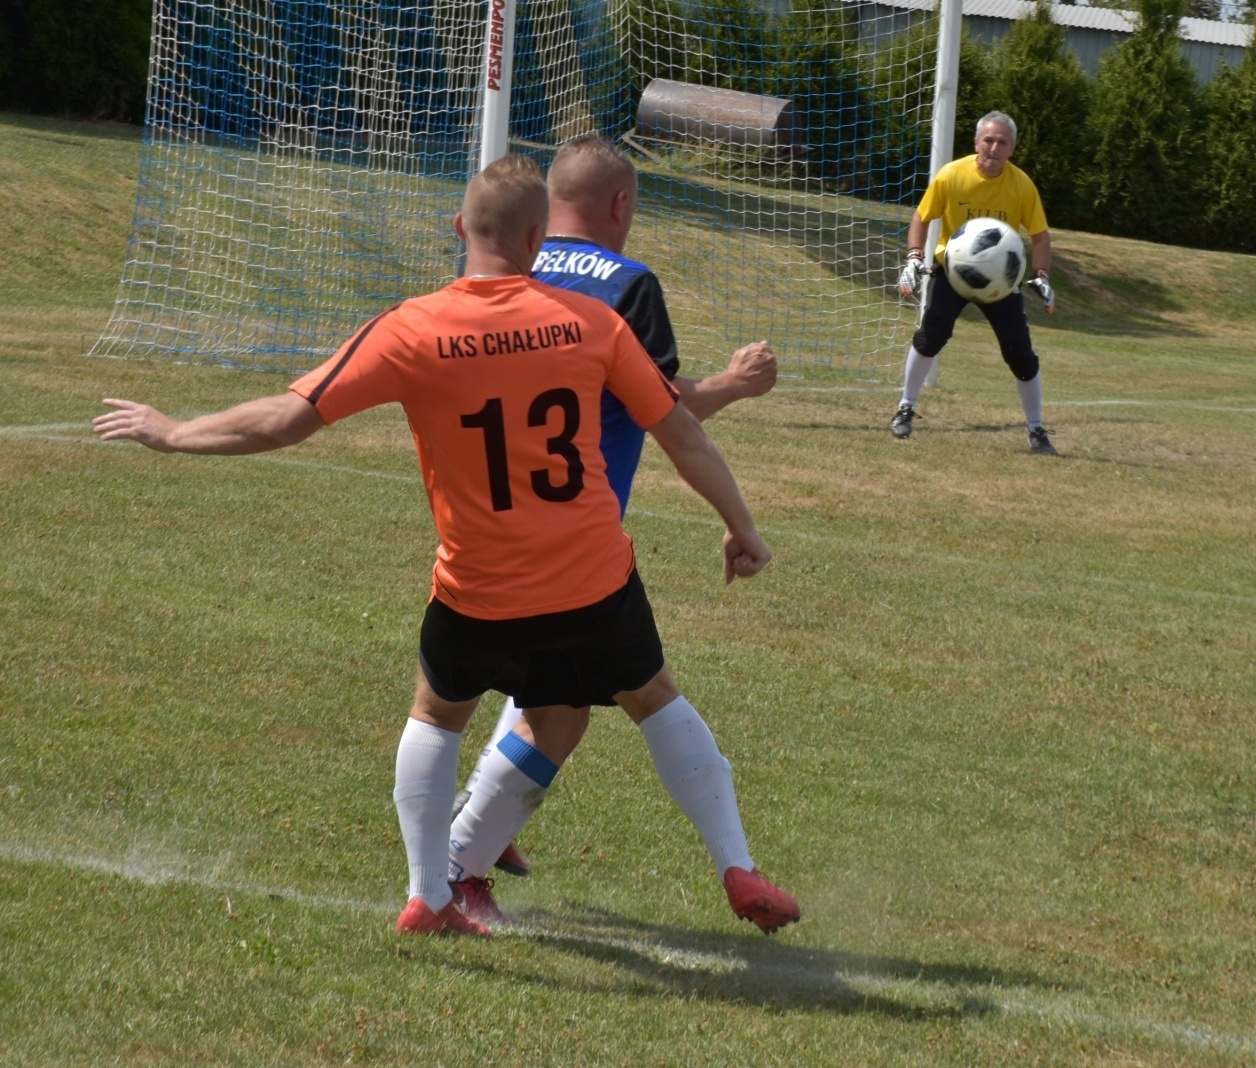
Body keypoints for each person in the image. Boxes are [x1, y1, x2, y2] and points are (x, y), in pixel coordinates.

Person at [93, 152, 799, 938]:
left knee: (439, 714)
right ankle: (735, 865)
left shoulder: (412, 329)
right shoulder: (594, 322)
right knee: (649, 699)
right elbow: (681, 433)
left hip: (478, 586)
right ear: (537, 237)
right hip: (591, 581)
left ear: (461, 227)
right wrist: (743, 528)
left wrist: (174, 431)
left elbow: (285, 417)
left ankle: (430, 892)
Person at [445, 134, 792, 932]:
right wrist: (735, 385)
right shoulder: (627, 285)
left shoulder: (500, 264)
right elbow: (665, 409)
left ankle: (476, 842)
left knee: (548, 699)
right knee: (624, 695)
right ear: (623, 205)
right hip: (575, 537)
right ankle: (457, 860)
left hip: (481, 524)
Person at [892, 110, 1059, 455]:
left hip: (1000, 282)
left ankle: (1037, 430)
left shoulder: (1022, 185)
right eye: (988, 139)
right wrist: (913, 257)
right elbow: (922, 217)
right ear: (976, 142)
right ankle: (905, 407)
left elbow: (1041, 237)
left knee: (1020, 354)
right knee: (930, 335)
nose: (994, 147)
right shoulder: (952, 175)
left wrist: (1042, 277)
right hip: (952, 270)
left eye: (1002, 142)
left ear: (1012, 149)